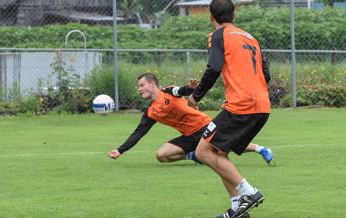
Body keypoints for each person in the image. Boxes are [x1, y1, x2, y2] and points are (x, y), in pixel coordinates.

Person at [185, 0, 272, 217]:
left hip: (243, 105)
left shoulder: (218, 35)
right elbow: (266, 75)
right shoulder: (251, 38)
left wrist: (195, 97)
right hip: (261, 104)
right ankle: (237, 208)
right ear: (234, 14)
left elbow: (214, 67)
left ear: (211, 16)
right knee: (219, 152)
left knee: (202, 151)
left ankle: (248, 192)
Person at [107, 73, 273, 169]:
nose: (139, 89)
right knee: (161, 155)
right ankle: (193, 156)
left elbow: (183, 90)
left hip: (204, 126)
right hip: (188, 135)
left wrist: (192, 88)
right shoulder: (151, 111)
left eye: (142, 85)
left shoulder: (168, 92)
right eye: (139, 86)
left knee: (225, 148)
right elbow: (139, 133)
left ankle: (261, 149)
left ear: (152, 84)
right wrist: (120, 150)